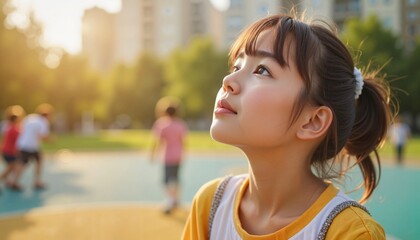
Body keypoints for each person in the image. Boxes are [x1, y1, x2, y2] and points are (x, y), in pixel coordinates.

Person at [182, 12, 392, 240]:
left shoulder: (351, 232)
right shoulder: (210, 204)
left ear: (313, 121)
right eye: (236, 67)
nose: (228, 81)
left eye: (262, 70)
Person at [150, 97, 188, 214]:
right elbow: (183, 141)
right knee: (176, 178)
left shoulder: (162, 124)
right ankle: (176, 199)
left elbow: (157, 142)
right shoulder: (180, 124)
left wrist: (153, 154)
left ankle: (170, 200)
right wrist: (183, 153)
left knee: (166, 180)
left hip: (167, 156)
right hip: (178, 155)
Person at [10, 103, 53, 190]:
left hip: (22, 144)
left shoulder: (30, 117)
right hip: (31, 146)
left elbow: (21, 128)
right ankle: (36, 182)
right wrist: (51, 140)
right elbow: (43, 135)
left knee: (23, 164)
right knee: (35, 163)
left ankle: (15, 181)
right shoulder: (43, 121)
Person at [0, 105, 25, 191]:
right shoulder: (15, 129)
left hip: (6, 151)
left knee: (12, 168)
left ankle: (9, 181)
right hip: (9, 151)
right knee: (11, 168)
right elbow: (17, 142)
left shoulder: (9, 128)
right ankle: (10, 181)